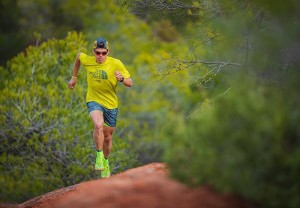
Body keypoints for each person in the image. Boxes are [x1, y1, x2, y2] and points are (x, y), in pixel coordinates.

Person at [68, 38, 133, 178]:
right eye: (98, 53)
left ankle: (105, 160)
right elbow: (79, 56)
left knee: (108, 137)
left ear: (108, 52)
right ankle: (98, 156)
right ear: (94, 52)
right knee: (98, 125)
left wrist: (121, 79)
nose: (100, 56)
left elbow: (130, 83)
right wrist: (74, 77)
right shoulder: (88, 60)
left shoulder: (116, 63)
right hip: (93, 100)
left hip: (111, 104)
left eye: (104, 53)